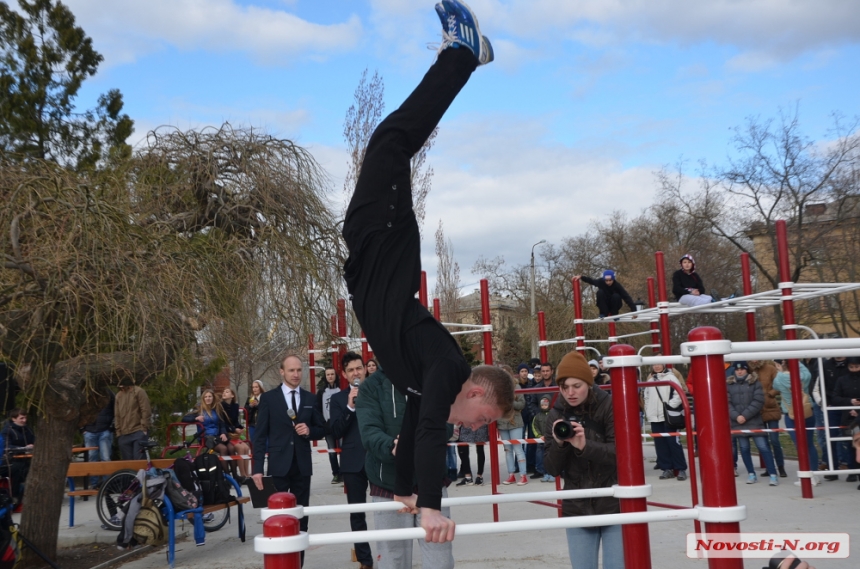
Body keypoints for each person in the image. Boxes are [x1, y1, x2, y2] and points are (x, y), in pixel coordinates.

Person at [341, 0, 513, 543]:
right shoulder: (445, 365)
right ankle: (463, 52)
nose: (473, 429)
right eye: (481, 422)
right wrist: (435, 507)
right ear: (479, 395)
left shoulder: (423, 381)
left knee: (391, 140)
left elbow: (418, 429)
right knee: (392, 140)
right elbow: (435, 429)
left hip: (368, 253)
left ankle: (461, 53)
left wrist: (410, 492)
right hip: (386, 241)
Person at [355, 364, 454, 569]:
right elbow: (369, 431)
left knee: (440, 557)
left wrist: (418, 443)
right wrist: (394, 447)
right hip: (387, 485)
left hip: (431, 482)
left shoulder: (431, 380)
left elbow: (445, 423)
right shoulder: (371, 386)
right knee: (393, 558)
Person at [544, 351, 624, 569]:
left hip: (615, 503)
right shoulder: (555, 415)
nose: (570, 392)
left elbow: (623, 455)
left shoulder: (610, 406)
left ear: (588, 383)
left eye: (576, 385)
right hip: (576, 505)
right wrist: (560, 444)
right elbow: (551, 468)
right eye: (564, 387)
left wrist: (584, 446)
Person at [252, 355, 325, 567]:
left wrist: (310, 431)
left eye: (299, 370)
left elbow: (322, 429)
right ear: (282, 372)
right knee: (279, 518)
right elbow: (259, 436)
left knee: (301, 518)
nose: (296, 374)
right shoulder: (269, 399)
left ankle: (298, 564)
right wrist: (257, 468)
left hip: (302, 466)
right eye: (291, 370)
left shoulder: (311, 399)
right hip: (278, 465)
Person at [329, 352, 373, 569]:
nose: (356, 373)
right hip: (352, 462)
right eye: (351, 370)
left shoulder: (377, 393)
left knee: (389, 510)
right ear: (345, 375)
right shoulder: (338, 400)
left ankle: (388, 555)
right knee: (357, 513)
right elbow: (335, 430)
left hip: (379, 459)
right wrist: (349, 407)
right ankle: (365, 560)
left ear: (365, 369)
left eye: (359, 368)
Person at [727, 362, 779, 486]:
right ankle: (751, 473)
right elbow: (726, 402)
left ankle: (773, 474)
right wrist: (736, 416)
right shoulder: (728, 385)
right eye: (737, 369)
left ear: (747, 371)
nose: (739, 371)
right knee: (744, 449)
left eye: (742, 369)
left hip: (754, 422)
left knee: (763, 447)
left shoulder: (755, 383)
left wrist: (744, 415)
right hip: (737, 422)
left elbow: (758, 401)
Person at [772, 359, 820, 486]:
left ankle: (805, 474)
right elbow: (807, 373)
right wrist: (795, 361)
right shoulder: (803, 376)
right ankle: (814, 474)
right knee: (809, 444)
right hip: (807, 411)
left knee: (800, 445)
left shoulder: (780, 378)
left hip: (791, 414)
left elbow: (775, 386)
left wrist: (780, 369)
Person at [643, 364, 688, 481]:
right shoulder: (650, 380)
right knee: (660, 444)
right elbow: (646, 396)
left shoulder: (671, 378)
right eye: (654, 364)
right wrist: (648, 410)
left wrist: (669, 406)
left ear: (663, 365)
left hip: (668, 416)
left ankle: (680, 468)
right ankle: (666, 468)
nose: (656, 366)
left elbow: (678, 394)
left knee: (673, 443)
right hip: (655, 417)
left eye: (659, 364)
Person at [749, 360, 787, 478]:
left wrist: (770, 394)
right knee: (763, 443)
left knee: (774, 440)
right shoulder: (749, 369)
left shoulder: (770, 368)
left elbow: (779, 384)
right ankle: (770, 467)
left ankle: (781, 467)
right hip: (757, 410)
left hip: (770, 408)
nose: (754, 361)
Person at [830, 356, 860, 484]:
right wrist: (849, 402)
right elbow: (835, 398)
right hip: (848, 419)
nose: (853, 370)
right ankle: (852, 471)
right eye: (851, 367)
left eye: (856, 367)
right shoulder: (842, 380)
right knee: (850, 445)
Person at [497, 370, 527, 486]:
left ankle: (523, 475)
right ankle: (511, 475)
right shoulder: (497, 388)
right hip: (502, 422)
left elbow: (521, 404)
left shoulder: (517, 386)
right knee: (507, 450)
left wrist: (510, 402)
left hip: (515, 422)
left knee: (518, 449)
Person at [527, 361, 556, 480]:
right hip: (541, 422)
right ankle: (540, 470)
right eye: (543, 371)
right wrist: (538, 415)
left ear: (552, 371)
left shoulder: (558, 385)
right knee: (540, 447)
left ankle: (556, 470)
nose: (545, 373)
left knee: (556, 446)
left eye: (547, 370)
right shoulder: (537, 388)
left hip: (556, 420)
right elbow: (531, 403)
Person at [314, 365, 343, 484]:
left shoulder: (341, 390)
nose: (330, 376)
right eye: (328, 374)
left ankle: (343, 473)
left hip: (340, 425)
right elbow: (317, 409)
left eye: (332, 374)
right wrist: (322, 423)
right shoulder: (321, 392)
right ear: (325, 377)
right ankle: (335, 474)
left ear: (336, 376)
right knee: (331, 451)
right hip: (327, 425)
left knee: (343, 450)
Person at [0, 408, 34, 507]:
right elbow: (7, 447)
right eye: (21, 418)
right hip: (7, 462)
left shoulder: (27, 429)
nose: (24, 420)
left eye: (25, 418)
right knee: (19, 468)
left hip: (23, 459)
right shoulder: (7, 431)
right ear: (13, 419)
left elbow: (34, 440)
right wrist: (24, 448)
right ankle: (14, 496)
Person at [81, 390, 115, 489]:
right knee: (92, 458)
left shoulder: (109, 393)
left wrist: (111, 428)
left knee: (106, 458)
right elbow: (80, 411)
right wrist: (82, 429)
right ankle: (94, 484)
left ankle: (107, 484)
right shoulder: (86, 392)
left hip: (105, 430)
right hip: (89, 431)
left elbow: (116, 411)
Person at [114, 376, 151, 460]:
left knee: (139, 460)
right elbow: (117, 415)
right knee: (128, 463)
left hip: (138, 431)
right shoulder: (118, 396)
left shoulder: (139, 392)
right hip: (124, 434)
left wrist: (144, 428)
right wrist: (119, 433)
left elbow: (146, 410)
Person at [220, 387, 251, 482]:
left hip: (234, 433)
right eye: (224, 391)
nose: (224, 393)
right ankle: (242, 475)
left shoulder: (235, 406)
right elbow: (222, 423)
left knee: (247, 448)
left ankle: (247, 473)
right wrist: (234, 429)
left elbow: (235, 421)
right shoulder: (220, 406)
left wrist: (240, 428)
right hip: (226, 433)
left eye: (227, 391)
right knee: (241, 448)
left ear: (232, 395)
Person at [533, 396, 554, 483]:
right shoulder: (537, 416)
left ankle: (552, 474)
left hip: (551, 440)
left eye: (546, 404)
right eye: (543, 404)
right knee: (541, 457)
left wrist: (552, 435)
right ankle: (545, 473)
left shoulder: (553, 415)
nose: (544, 406)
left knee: (552, 457)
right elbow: (534, 426)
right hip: (541, 441)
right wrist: (539, 436)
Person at [244, 380, 265, 445]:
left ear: (260, 388)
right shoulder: (250, 399)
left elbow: (266, 411)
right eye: (253, 387)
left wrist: (258, 405)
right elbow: (245, 413)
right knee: (254, 443)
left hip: (263, 425)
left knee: (264, 443)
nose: (254, 389)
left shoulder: (265, 398)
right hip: (252, 425)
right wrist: (250, 406)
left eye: (256, 387)